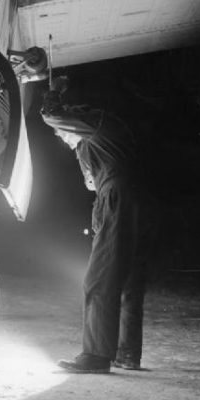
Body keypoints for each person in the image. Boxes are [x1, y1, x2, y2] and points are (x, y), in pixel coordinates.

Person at [40, 76, 152, 374]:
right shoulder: (101, 141)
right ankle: (126, 353)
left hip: (117, 196)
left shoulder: (99, 124)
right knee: (127, 280)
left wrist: (54, 93)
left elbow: (53, 116)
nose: (64, 139)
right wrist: (80, 150)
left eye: (66, 135)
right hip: (131, 198)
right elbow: (91, 183)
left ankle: (96, 357)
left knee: (98, 279)